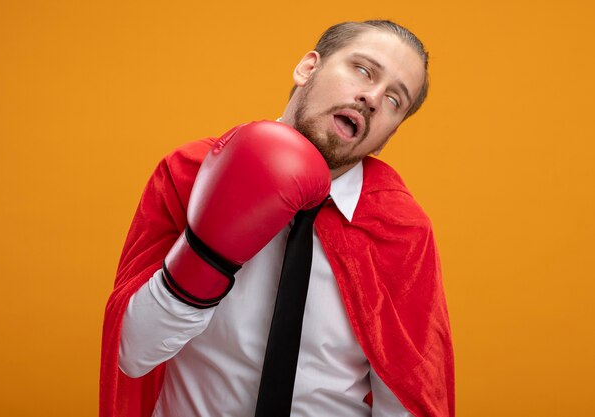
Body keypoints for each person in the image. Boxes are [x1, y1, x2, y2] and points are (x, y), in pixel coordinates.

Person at [100, 20, 454, 417]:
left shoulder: (401, 229)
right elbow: (132, 354)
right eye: (363, 70)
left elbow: (409, 397)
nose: (372, 97)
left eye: (394, 100)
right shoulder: (188, 173)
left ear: (389, 133)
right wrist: (206, 253)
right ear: (308, 68)